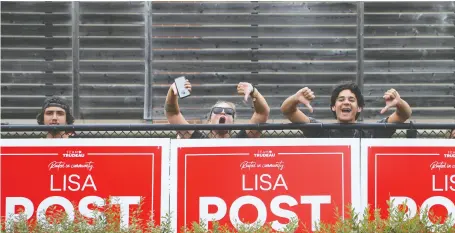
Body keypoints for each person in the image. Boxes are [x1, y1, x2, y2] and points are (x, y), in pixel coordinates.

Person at [280, 83, 412, 138]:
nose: (346, 102)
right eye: (341, 99)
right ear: (333, 106)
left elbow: (404, 114)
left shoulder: (372, 131)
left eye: (351, 100)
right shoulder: (320, 129)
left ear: (359, 107)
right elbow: (288, 111)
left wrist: (399, 102)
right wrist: (295, 98)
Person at [165, 79, 270, 138]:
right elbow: (173, 114)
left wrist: (253, 92)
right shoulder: (198, 140)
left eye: (229, 112)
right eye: (218, 111)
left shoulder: (240, 140)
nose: (223, 113)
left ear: (233, 121)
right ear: (209, 120)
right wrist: (172, 92)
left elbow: (262, 113)